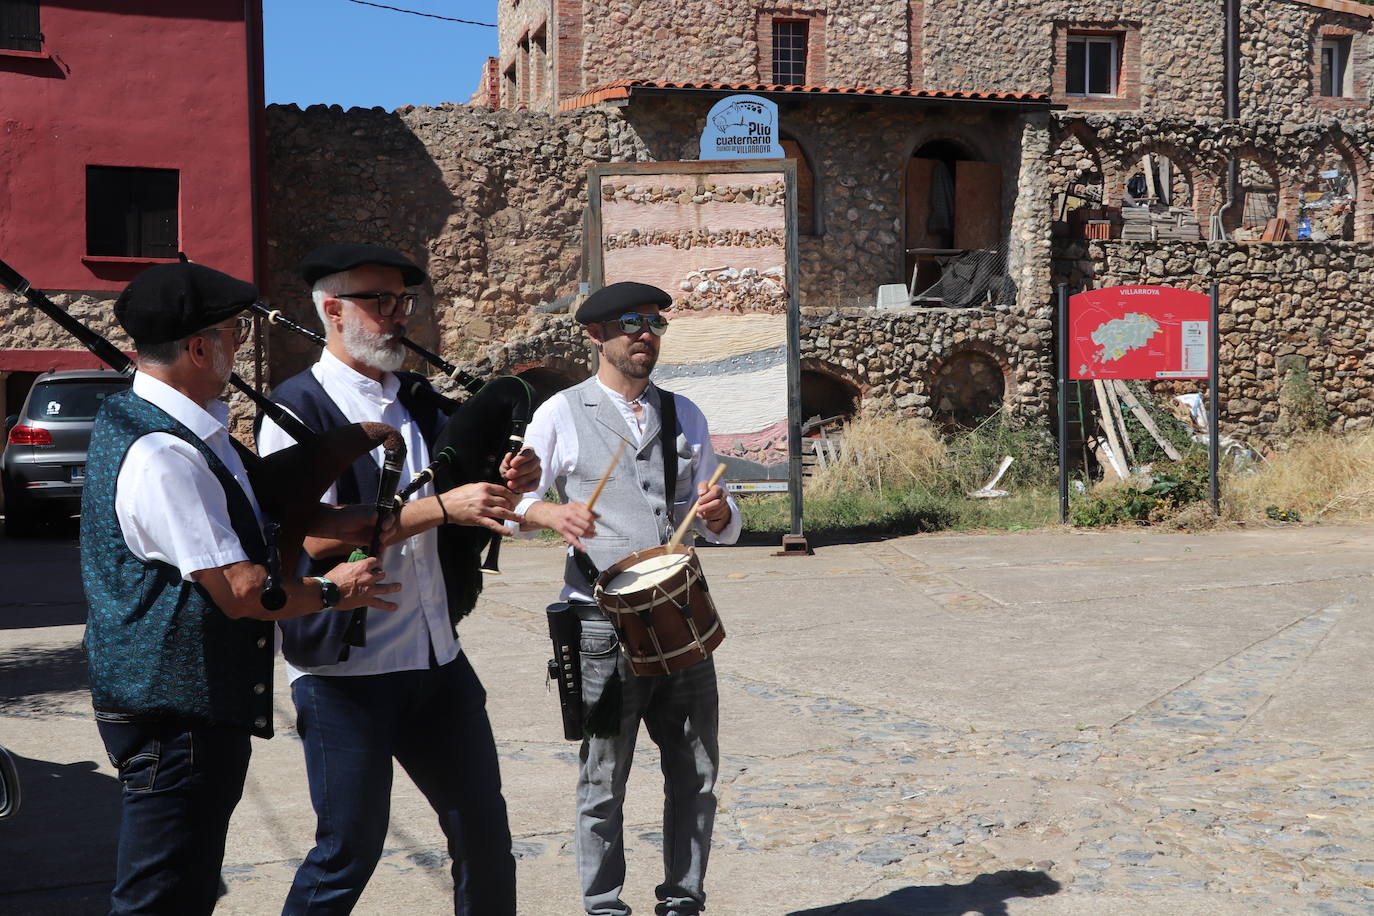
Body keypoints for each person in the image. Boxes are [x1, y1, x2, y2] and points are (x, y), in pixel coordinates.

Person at [82, 261, 400, 915]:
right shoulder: (163, 454)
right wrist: (336, 591)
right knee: (160, 897)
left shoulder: (189, 427)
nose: (242, 346)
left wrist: (334, 511)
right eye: (235, 332)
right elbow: (242, 591)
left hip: (190, 709)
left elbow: (250, 521)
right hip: (176, 716)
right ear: (199, 347)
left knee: (186, 889)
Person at [257, 243, 537, 915]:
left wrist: (511, 479)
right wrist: (439, 508)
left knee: (485, 834)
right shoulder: (294, 410)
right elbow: (309, 532)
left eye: (403, 302)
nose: (396, 316)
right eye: (378, 301)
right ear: (331, 310)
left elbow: (465, 477)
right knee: (349, 848)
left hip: (436, 656)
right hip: (347, 673)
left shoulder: (415, 396)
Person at [517, 281, 740, 916]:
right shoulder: (561, 412)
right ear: (595, 336)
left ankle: (682, 899)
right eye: (631, 322)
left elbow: (722, 524)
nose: (646, 333)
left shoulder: (684, 413)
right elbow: (514, 506)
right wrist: (552, 514)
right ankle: (603, 905)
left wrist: (719, 513)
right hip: (600, 621)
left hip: (682, 615)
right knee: (603, 776)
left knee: (695, 773)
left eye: (656, 323)